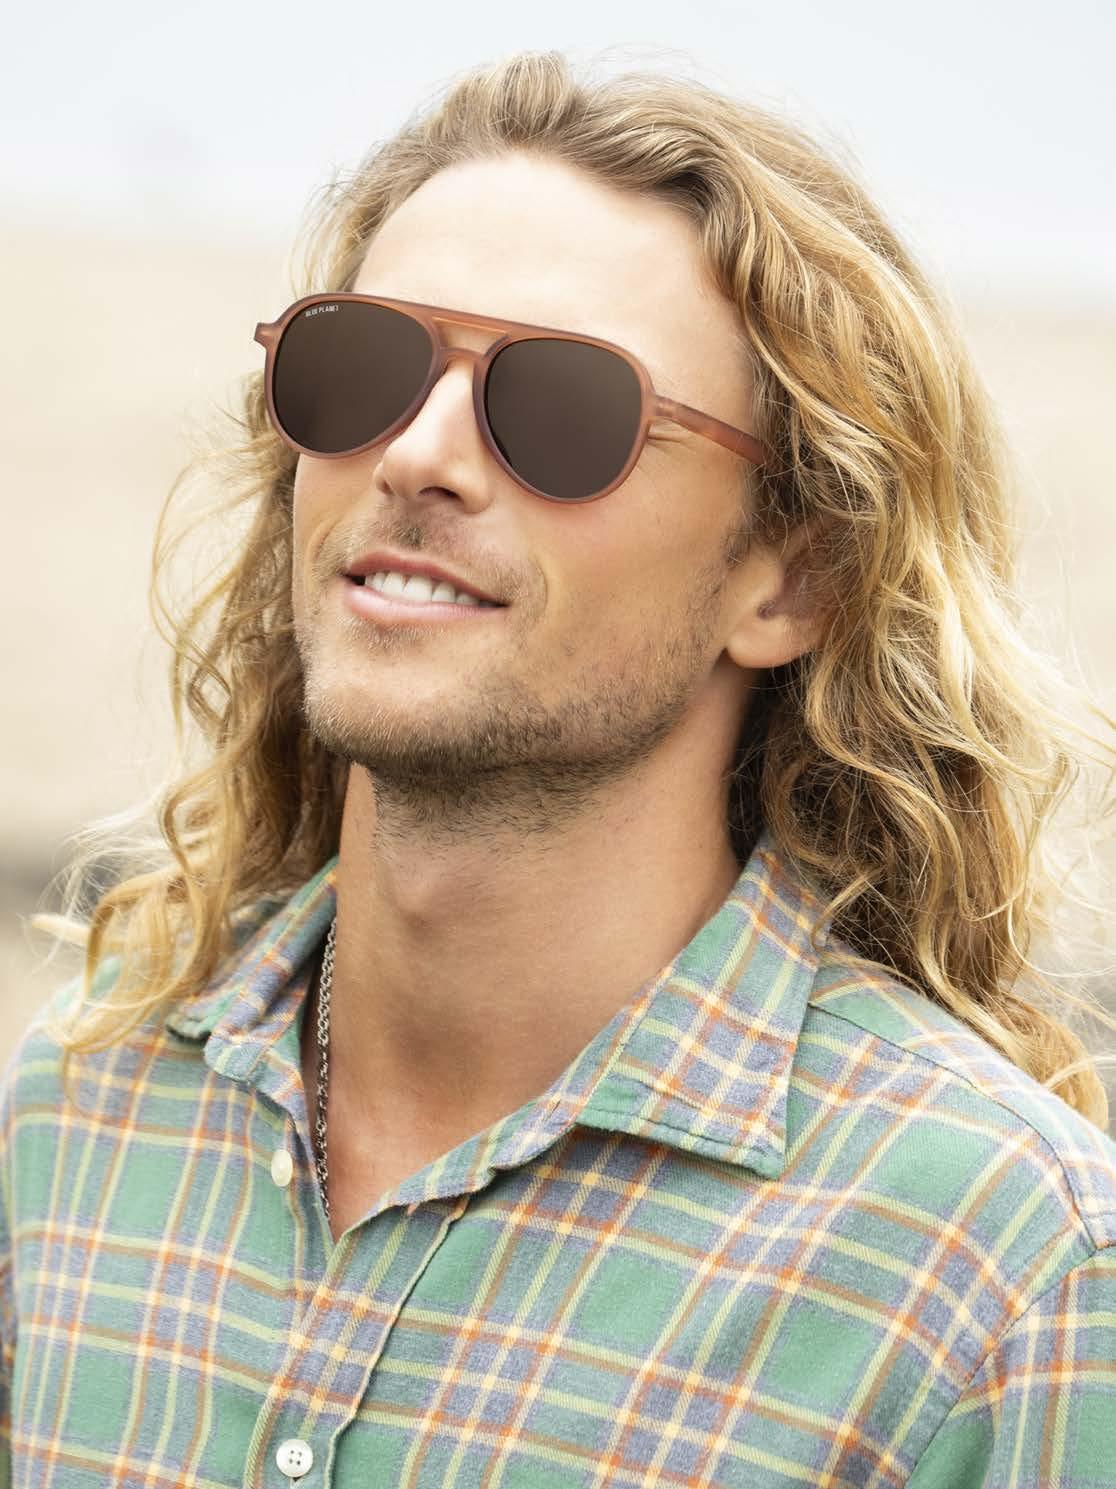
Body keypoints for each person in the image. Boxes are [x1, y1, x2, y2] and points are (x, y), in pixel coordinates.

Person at [3, 47, 1116, 1489]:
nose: (417, 453)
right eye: (361, 366)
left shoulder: (1002, 1279)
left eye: (566, 409)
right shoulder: (82, 1109)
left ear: (792, 577)